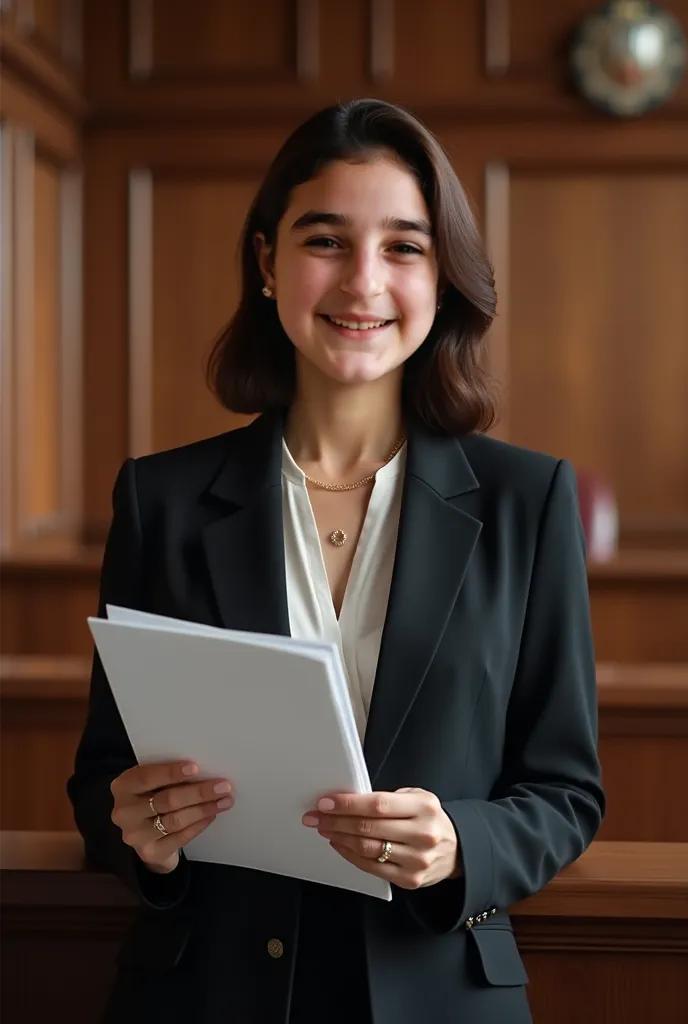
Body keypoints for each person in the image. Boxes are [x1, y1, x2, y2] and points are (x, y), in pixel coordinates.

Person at [67, 98, 605, 1024]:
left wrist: (459, 844)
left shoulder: (530, 501)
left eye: (403, 246)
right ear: (268, 263)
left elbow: (566, 791)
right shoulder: (159, 499)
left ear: (443, 280)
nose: (363, 282)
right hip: (208, 989)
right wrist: (139, 836)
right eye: (326, 240)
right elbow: (104, 776)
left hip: (435, 984)